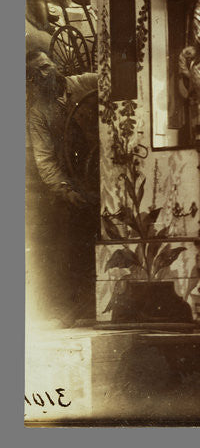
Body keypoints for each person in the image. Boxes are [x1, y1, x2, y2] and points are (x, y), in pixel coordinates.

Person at [26, 48, 99, 326]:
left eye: (46, 66)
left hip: (110, 171)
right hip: (78, 183)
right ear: (30, 81)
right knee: (73, 242)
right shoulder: (38, 114)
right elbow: (45, 162)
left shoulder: (86, 83)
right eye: (37, 73)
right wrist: (68, 192)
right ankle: (79, 308)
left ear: (55, 64)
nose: (45, 74)